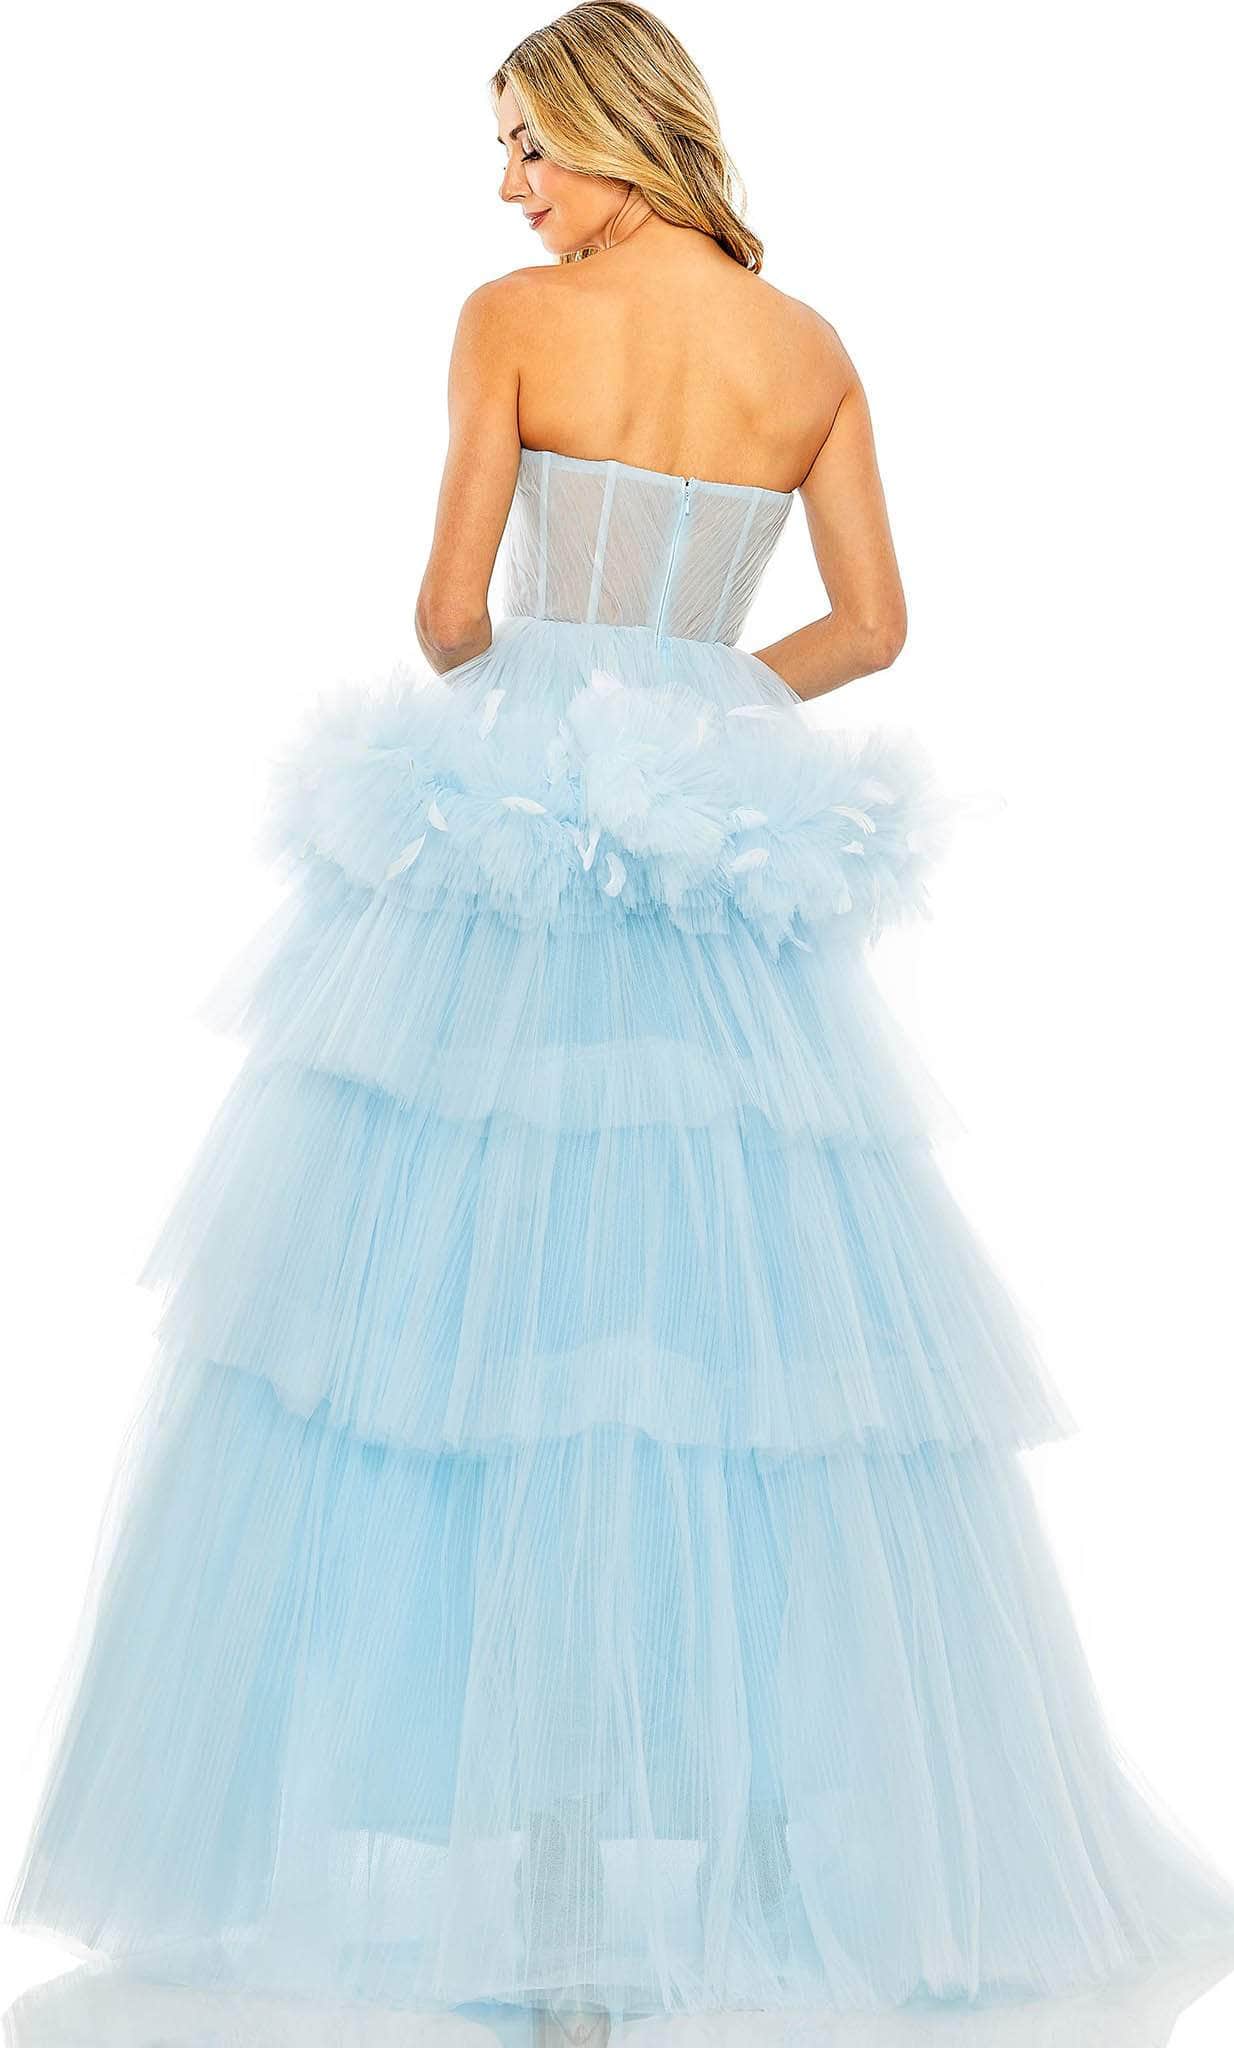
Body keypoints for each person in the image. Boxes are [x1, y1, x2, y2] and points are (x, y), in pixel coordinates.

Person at [5, 5, 1234, 2046]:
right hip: (708, 856)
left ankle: (555, 1872)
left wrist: (557, 703)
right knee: (735, 1309)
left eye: (525, 144)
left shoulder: (509, 321)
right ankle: (748, 1858)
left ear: (612, 131)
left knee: (452, 1301)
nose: (506, 189)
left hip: (523, 844)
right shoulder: (805, 349)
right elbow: (870, 625)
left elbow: (445, 611)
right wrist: (701, 708)